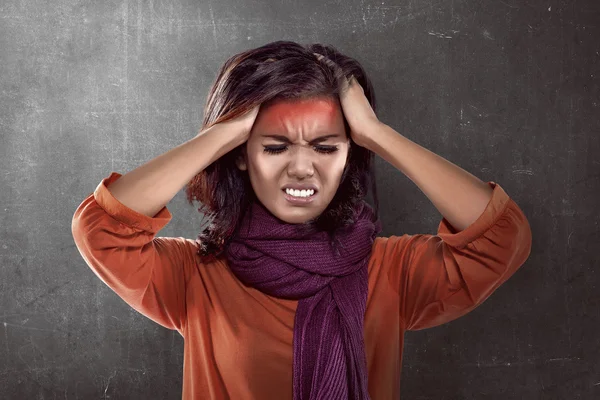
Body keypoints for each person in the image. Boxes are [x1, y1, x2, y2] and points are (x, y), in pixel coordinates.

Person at [71, 40, 532, 399]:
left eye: (326, 148)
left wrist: (376, 134)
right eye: (274, 147)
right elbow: (101, 229)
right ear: (240, 157)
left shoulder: (391, 271)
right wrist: (226, 132)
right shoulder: (196, 276)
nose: (301, 168)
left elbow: (501, 237)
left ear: (349, 156)